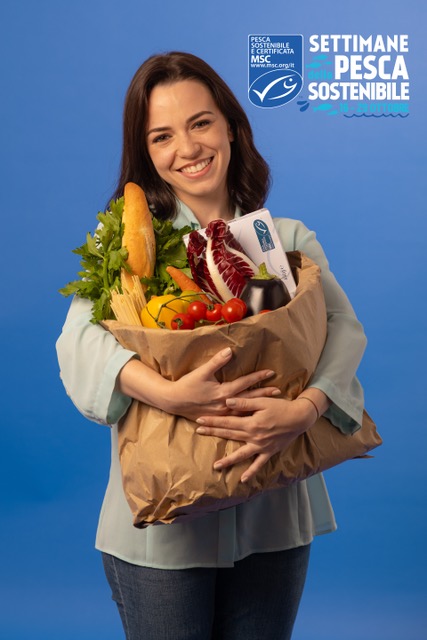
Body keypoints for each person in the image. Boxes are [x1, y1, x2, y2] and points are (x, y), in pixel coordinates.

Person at [56, 51, 367, 640]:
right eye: (162, 136)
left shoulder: (289, 240)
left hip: (274, 511)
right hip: (162, 522)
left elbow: (343, 331)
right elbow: (80, 341)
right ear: (145, 152)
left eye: (201, 123)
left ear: (229, 125)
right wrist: (170, 394)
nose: (188, 148)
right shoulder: (125, 243)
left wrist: (303, 411)